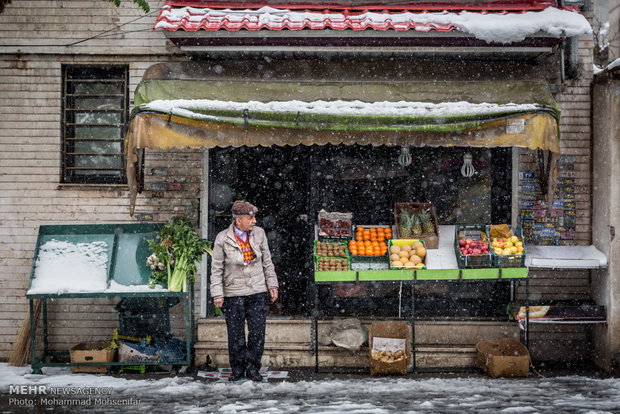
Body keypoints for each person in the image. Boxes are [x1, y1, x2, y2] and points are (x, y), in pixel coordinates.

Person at [210, 200, 279, 382]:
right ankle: (237, 370)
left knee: (257, 332)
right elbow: (216, 269)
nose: (254, 221)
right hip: (233, 293)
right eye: (251, 217)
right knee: (236, 335)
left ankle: (253, 369)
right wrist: (217, 294)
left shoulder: (259, 234)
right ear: (238, 220)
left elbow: (267, 262)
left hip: (257, 291)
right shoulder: (222, 239)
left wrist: (272, 285)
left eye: (254, 217)